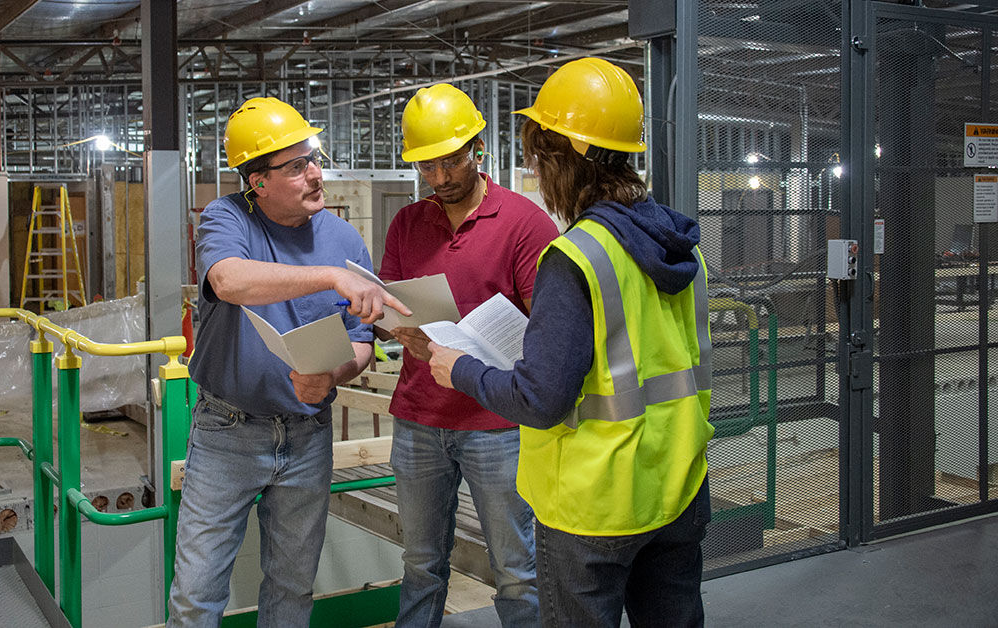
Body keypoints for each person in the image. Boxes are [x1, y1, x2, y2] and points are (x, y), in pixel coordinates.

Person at [427, 58, 714, 627]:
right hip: (679, 485)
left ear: (564, 162)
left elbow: (541, 398)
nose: (536, 174)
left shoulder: (575, 258)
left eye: (538, 160)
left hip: (595, 506)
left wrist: (461, 369)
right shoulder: (683, 249)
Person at [169, 96, 410, 627]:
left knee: (292, 589)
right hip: (226, 431)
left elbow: (363, 341)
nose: (315, 175)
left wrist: (334, 374)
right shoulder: (226, 217)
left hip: (307, 434)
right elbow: (229, 281)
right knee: (196, 592)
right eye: (297, 165)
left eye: (315, 158)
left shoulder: (344, 239)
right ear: (257, 181)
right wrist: (331, 277)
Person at [379, 83, 558, 627]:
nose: (439, 179)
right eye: (427, 168)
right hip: (419, 418)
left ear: (478, 150)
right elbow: (388, 303)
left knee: (516, 568)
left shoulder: (526, 223)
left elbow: (547, 325)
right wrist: (395, 329)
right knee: (420, 562)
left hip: (496, 421)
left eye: (451, 163)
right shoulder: (408, 223)